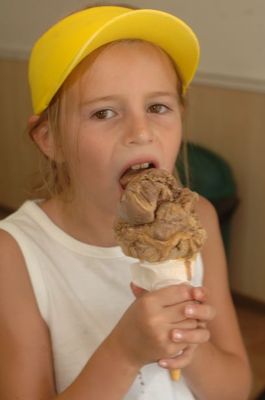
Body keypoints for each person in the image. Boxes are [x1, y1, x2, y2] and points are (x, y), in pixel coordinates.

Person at [0, 4, 251, 400]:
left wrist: (185, 340)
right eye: (103, 112)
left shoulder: (198, 218)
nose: (141, 131)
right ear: (50, 139)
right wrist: (124, 351)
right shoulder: (14, 254)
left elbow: (235, 388)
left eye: (157, 107)